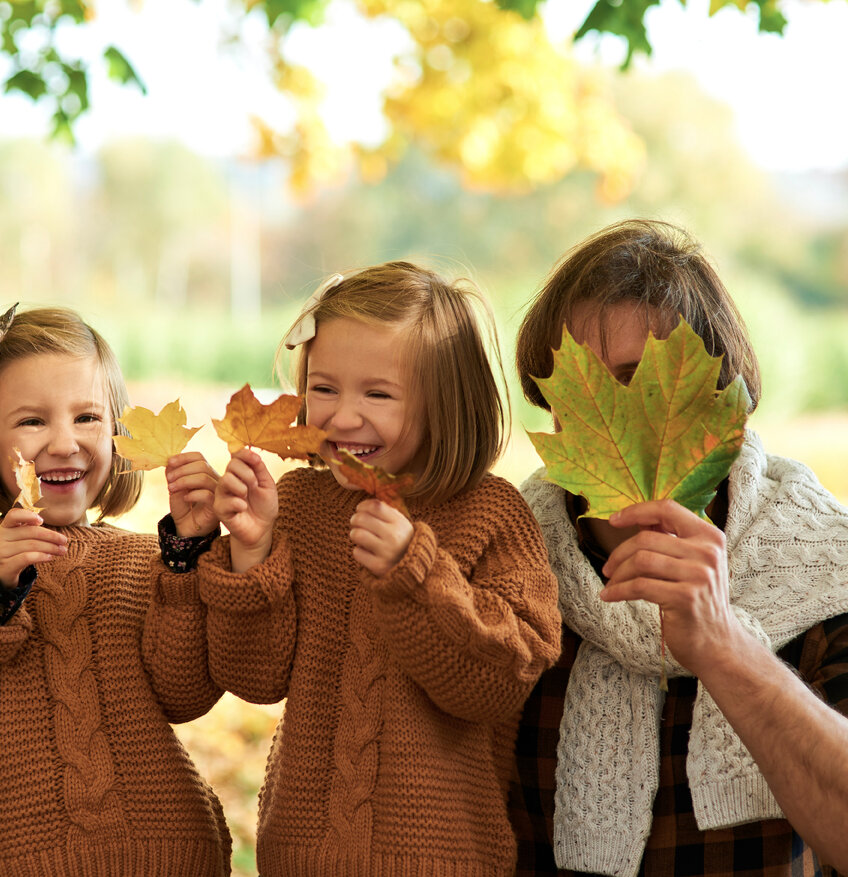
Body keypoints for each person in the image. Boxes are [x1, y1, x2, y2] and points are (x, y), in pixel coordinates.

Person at [192, 262, 562, 875]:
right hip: (302, 852)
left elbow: (504, 679)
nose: (340, 416)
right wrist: (253, 551)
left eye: (378, 394)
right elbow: (255, 675)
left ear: (448, 403)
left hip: (442, 856)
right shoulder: (303, 507)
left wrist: (416, 572)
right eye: (325, 388)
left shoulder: (491, 513)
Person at [509, 218, 848, 875]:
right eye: (583, 386)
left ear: (729, 404)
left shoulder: (825, 564)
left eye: (643, 382)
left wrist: (724, 644)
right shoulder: (504, 566)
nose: (615, 415)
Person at [0, 306, 231, 876]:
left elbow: (185, 693)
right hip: (2, 859)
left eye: (87, 418)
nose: (63, 443)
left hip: (161, 852)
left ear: (117, 431)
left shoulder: (140, 557)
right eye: (31, 422)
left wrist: (187, 556)